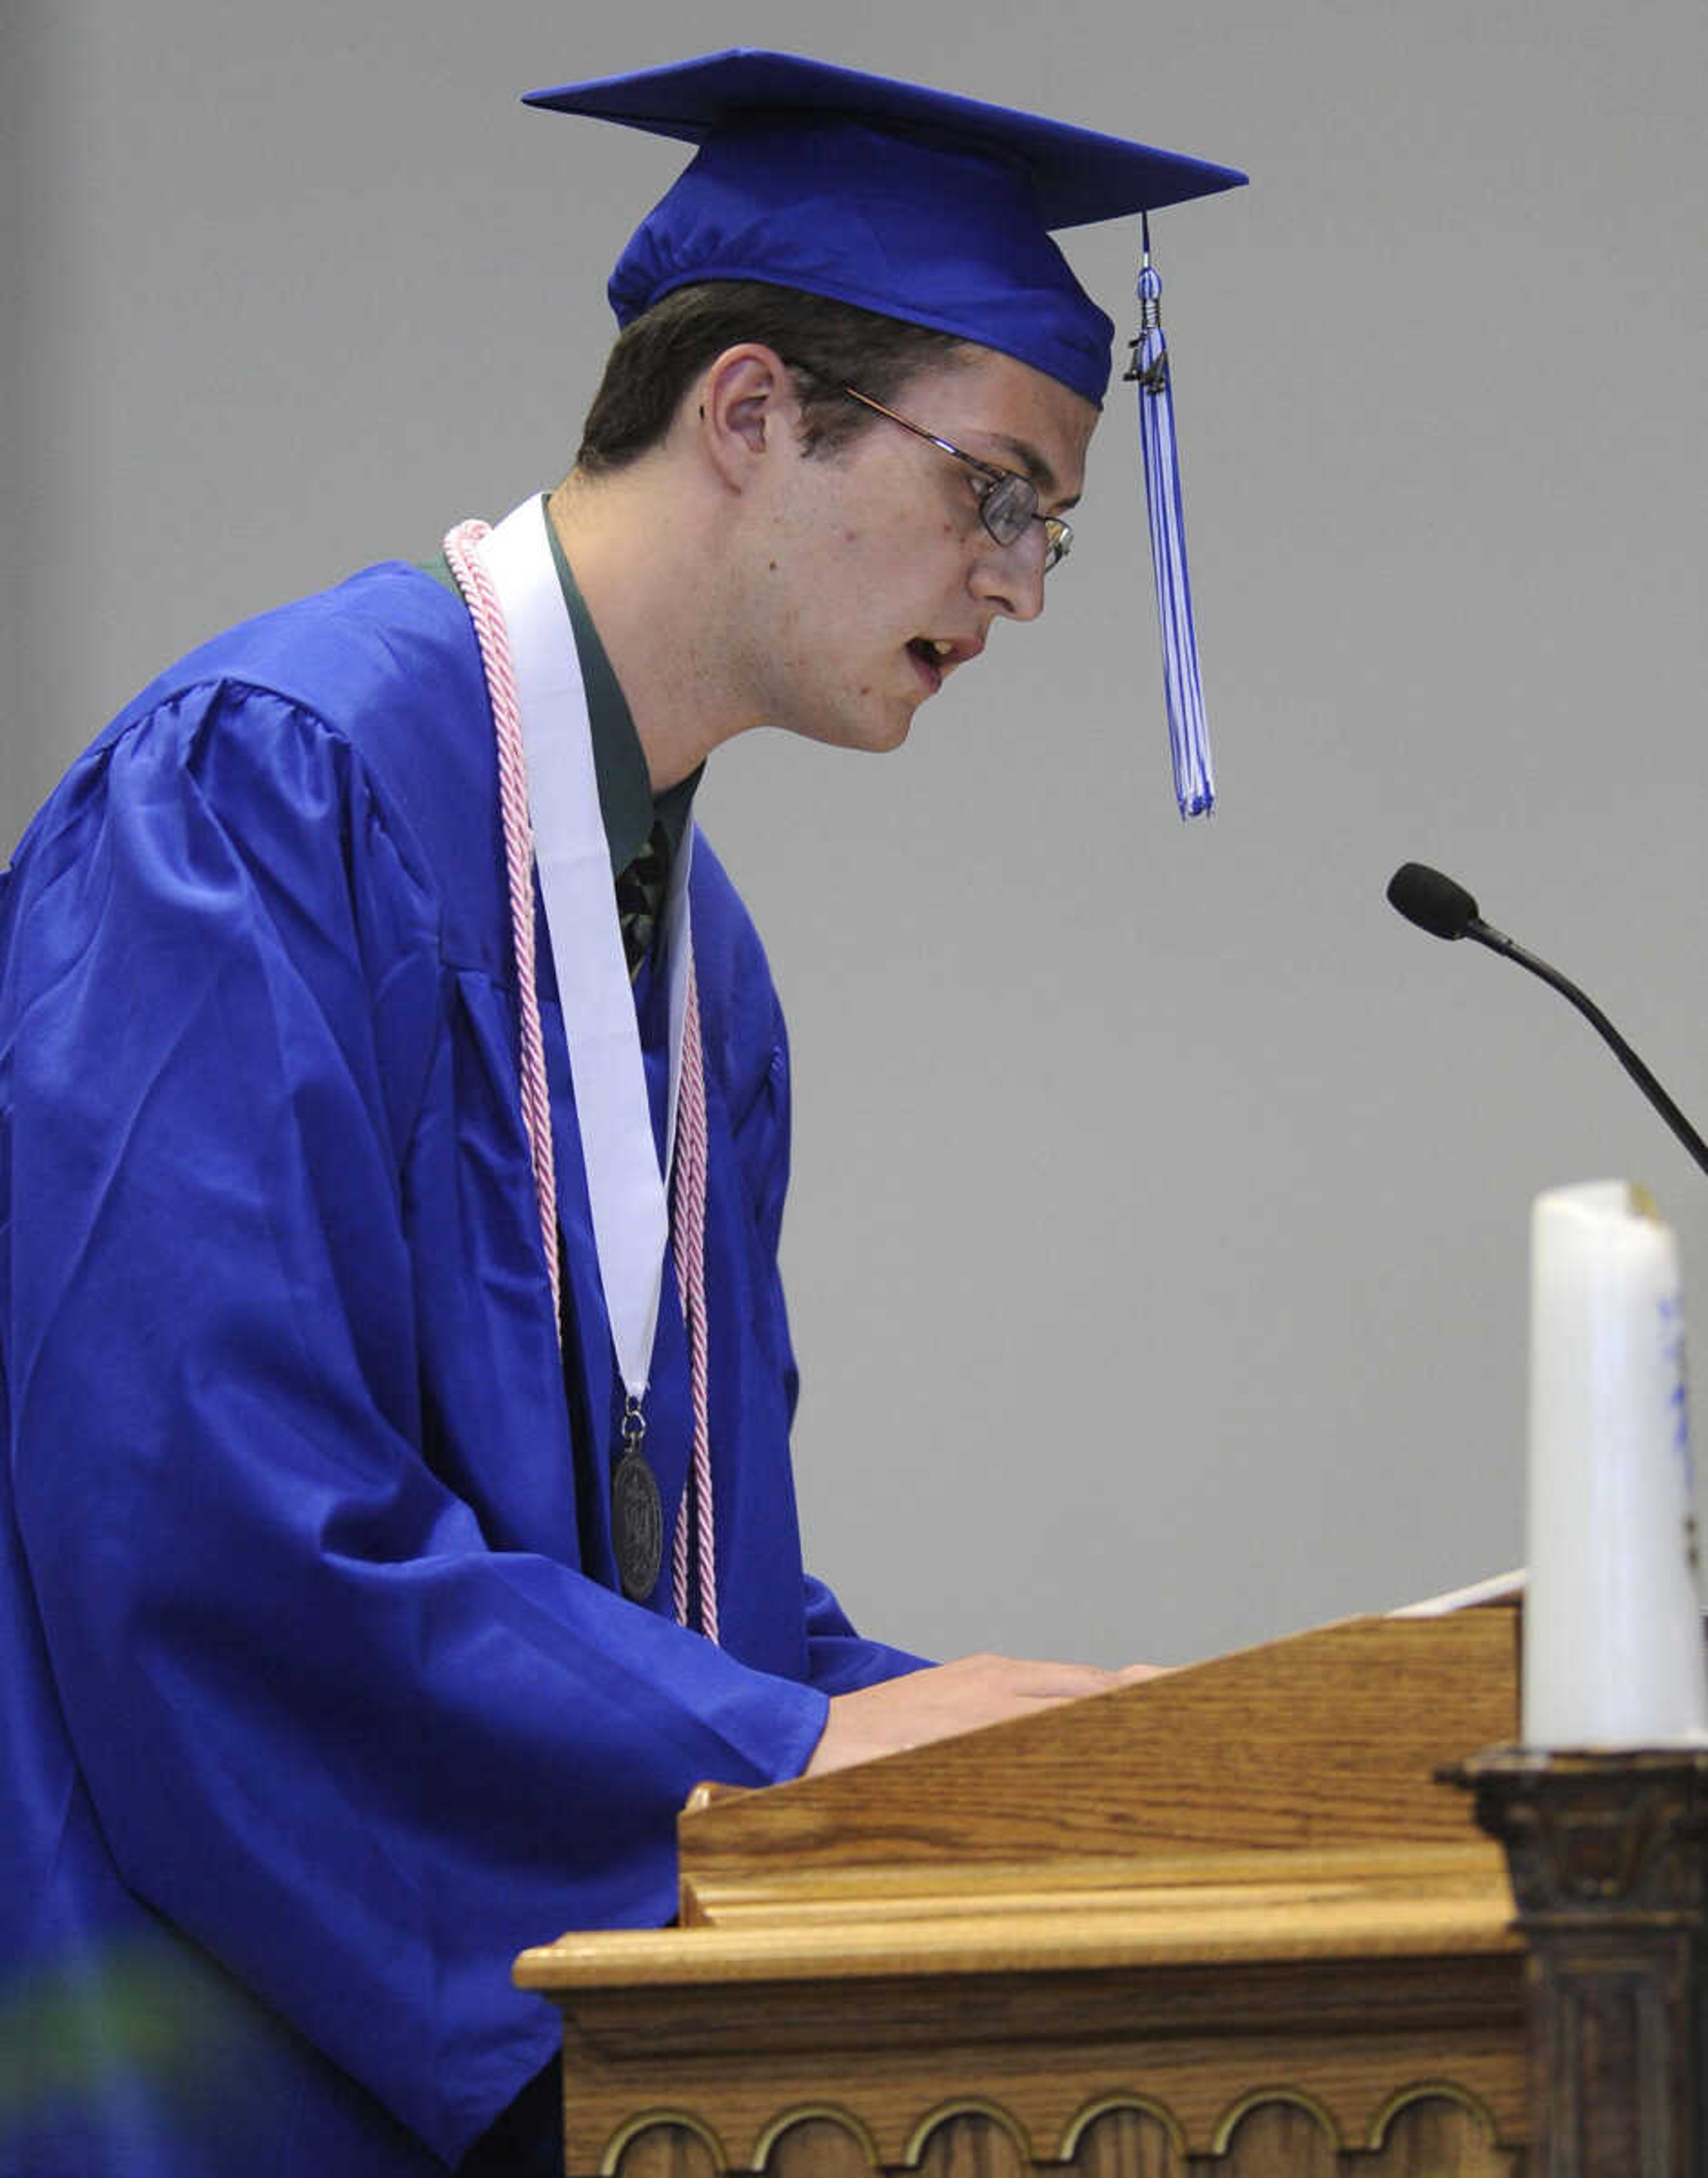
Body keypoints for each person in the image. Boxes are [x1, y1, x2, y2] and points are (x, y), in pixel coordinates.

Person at [0, 51, 1244, 2178]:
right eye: (1002, 493)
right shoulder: (262, 794)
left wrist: (1006, 1754)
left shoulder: (697, 956)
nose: (1028, 583)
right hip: (195, 2052)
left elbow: (683, 1609)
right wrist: (802, 1749)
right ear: (751, 413)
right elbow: (201, 1531)